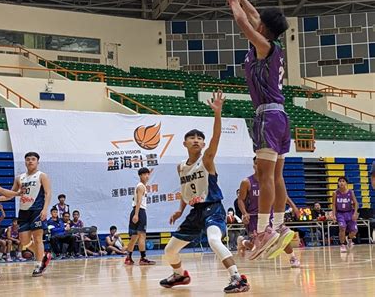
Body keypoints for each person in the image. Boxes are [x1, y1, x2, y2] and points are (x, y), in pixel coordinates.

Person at [159, 91, 249, 293]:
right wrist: (180, 210)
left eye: (200, 138)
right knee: (170, 250)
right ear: (185, 143)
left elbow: (216, 137)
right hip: (195, 211)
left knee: (213, 240)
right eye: (192, 138)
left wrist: (217, 113)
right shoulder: (181, 166)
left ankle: (238, 278)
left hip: (213, 208)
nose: (196, 140)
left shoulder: (207, 159)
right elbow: (186, 190)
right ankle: (180, 275)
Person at [226, 0, 293, 260]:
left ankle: (264, 230)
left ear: (263, 28)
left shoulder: (263, 46)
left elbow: (244, 22)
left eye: (259, 24)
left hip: (267, 115)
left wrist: (233, 4)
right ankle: (278, 225)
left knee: (265, 176)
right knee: (276, 176)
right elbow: (252, 16)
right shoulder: (271, 44)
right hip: (281, 117)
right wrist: (245, 0)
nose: (256, 23)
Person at [0, 152, 52, 276]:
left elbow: (48, 193)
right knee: (24, 241)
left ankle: (38, 265)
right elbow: (11, 194)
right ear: (25, 162)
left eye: (33, 159)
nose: (30, 161)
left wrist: (45, 209)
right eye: (28, 159)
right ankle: (44, 255)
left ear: (37, 162)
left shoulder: (42, 176)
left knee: (37, 238)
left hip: (37, 210)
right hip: (23, 212)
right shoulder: (20, 178)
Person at [237, 159, 301, 267]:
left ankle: (293, 258)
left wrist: (293, 206)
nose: (259, 165)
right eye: (257, 163)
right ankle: (242, 241)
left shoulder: (271, 181)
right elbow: (240, 200)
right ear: (254, 165)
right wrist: (244, 213)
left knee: (281, 237)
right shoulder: (247, 182)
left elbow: (282, 195)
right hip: (254, 218)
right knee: (255, 246)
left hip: (270, 216)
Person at [125, 167, 155, 266]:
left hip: (135, 211)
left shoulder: (141, 186)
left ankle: (128, 258)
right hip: (139, 211)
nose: (147, 176)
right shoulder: (141, 187)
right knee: (142, 235)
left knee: (134, 237)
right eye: (145, 174)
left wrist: (148, 172)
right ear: (141, 176)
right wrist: (137, 215)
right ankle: (143, 258)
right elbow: (139, 201)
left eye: (148, 174)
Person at [332, 176, 359, 253]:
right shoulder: (335, 193)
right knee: (342, 228)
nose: (341, 182)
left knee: (354, 231)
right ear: (338, 183)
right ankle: (342, 245)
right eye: (340, 181)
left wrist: (355, 213)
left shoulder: (351, 192)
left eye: (343, 181)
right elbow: (334, 205)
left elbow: (356, 203)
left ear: (346, 183)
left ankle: (349, 239)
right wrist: (334, 215)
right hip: (340, 213)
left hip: (350, 212)